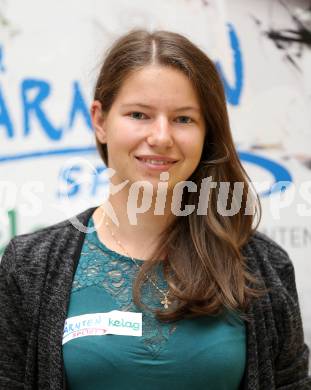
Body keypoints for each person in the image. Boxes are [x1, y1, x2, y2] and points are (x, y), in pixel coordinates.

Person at [0, 29, 310, 390]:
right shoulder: (29, 266)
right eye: (139, 114)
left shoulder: (263, 267)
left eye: (183, 119)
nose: (161, 136)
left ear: (207, 131)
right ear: (100, 120)